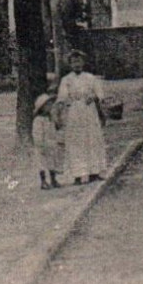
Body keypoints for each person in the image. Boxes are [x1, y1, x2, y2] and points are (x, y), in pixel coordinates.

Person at [56, 50, 109, 184]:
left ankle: (95, 171)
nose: (76, 64)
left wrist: (94, 96)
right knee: (77, 142)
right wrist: (65, 103)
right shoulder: (66, 80)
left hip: (89, 113)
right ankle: (79, 174)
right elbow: (62, 97)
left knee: (92, 139)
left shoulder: (91, 78)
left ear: (83, 62)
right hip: (74, 114)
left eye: (79, 61)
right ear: (70, 64)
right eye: (73, 62)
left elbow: (100, 94)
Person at [31, 90, 64, 190]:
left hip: (51, 144)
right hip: (42, 145)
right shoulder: (38, 120)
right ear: (42, 107)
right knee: (42, 164)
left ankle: (53, 179)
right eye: (47, 105)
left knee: (52, 163)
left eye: (50, 105)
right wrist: (40, 144)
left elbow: (55, 129)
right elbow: (37, 134)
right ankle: (43, 181)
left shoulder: (50, 119)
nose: (49, 107)